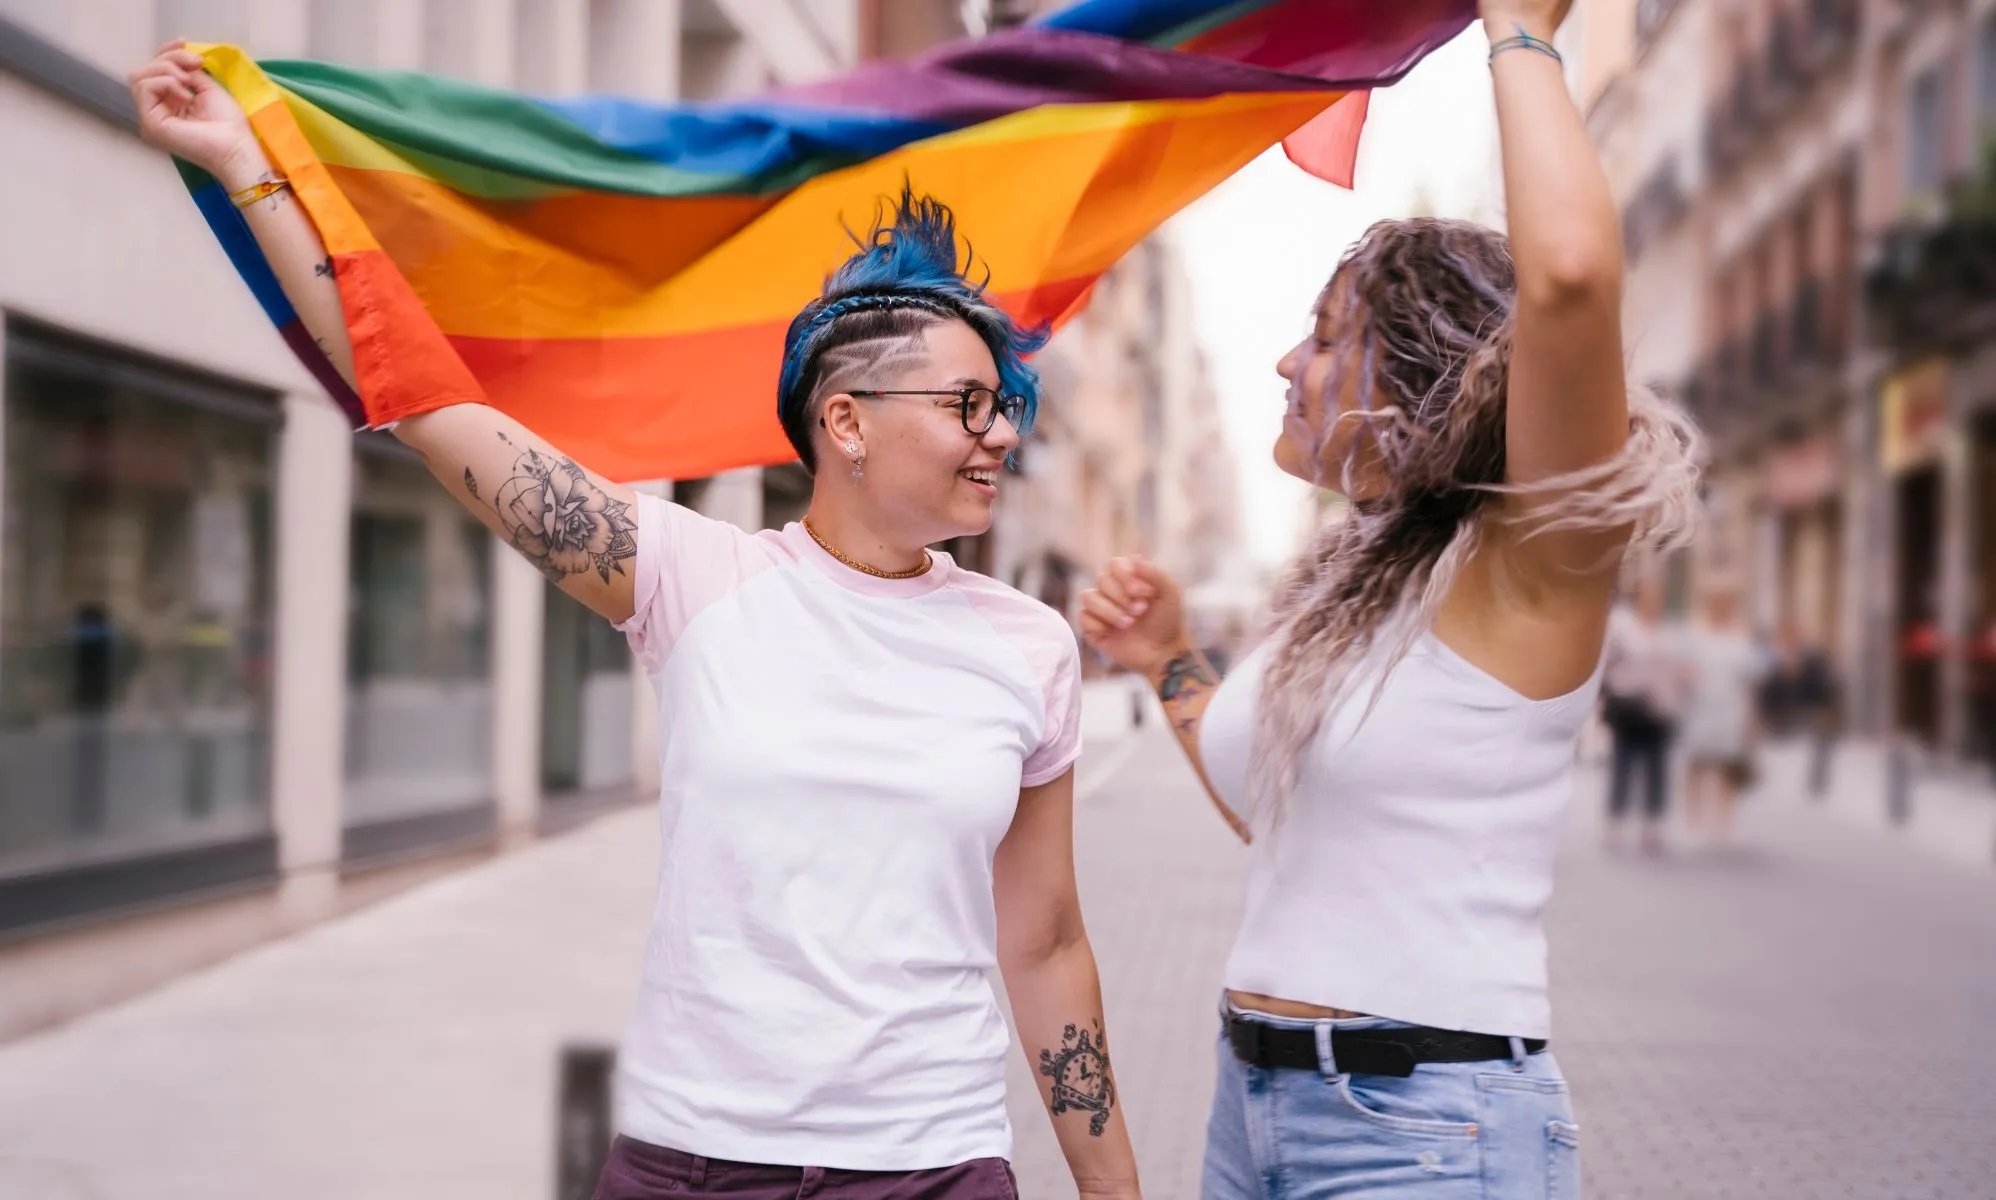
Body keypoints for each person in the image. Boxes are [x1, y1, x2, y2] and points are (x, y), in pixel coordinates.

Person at [131, 43, 1142, 1200]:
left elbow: (1049, 941)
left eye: (1005, 405)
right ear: (846, 422)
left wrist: (1114, 1190)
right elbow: (427, 402)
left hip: (932, 1171)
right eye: (969, 404)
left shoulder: (1030, 646)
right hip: (690, 1168)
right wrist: (248, 167)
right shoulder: (687, 579)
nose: (1002, 433)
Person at [1077, 0, 1699, 1194]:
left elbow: (1567, 281)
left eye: (1322, 337)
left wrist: (1517, 33)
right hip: (1254, 1104)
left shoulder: (1526, 557)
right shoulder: (1356, 577)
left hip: (1424, 1127)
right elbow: (1282, 809)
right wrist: (1167, 659)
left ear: (1418, 369)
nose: (1284, 364)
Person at [1600, 577, 1684, 854]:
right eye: (1648, 598)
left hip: (1661, 708)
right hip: (1630, 707)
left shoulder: (1669, 631)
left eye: (1657, 599)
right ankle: (1616, 821)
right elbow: (1608, 665)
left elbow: (1676, 669)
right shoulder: (1623, 629)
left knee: (1657, 768)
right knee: (1623, 764)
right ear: (1638, 600)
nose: (1653, 604)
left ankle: (1653, 825)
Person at [1679, 585, 1763, 848]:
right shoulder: (1695, 634)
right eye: (1716, 603)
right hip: (1699, 707)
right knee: (1697, 764)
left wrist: (1752, 716)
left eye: (1725, 604)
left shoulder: (1739, 637)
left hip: (1730, 709)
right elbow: (1682, 672)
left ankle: (1726, 821)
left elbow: (1749, 678)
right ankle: (1694, 822)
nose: (1721, 609)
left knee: (1728, 767)